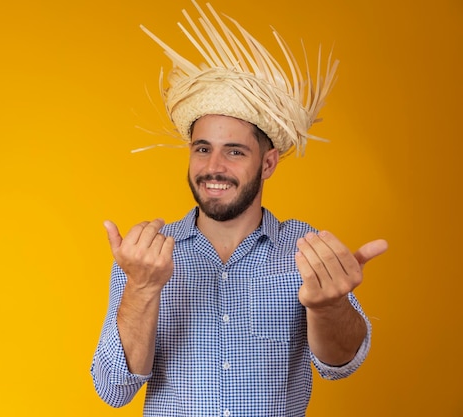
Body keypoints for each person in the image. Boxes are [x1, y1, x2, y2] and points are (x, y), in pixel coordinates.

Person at [90, 2, 388, 416]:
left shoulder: (305, 251)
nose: (214, 167)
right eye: (202, 149)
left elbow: (342, 366)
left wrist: (329, 307)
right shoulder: (146, 258)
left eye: (234, 151)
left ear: (267, 164)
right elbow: (113, 391)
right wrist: (141, 288)